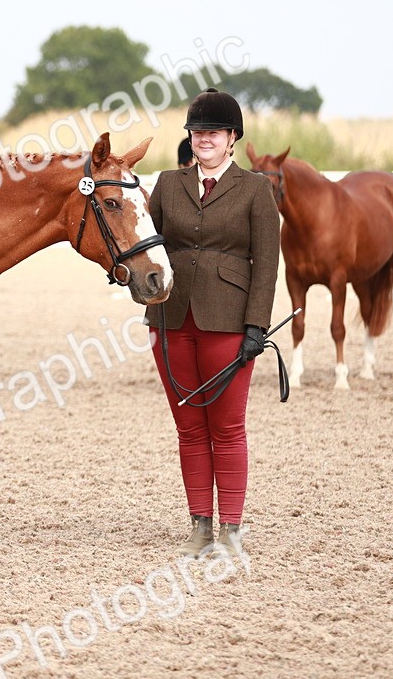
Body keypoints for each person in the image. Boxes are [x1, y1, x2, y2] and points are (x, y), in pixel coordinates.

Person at [145, 88, 280, 556]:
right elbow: (147, 246)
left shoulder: (257, 189)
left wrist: (256, 327)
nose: (205, 138)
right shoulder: (167, 184)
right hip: (170, 317)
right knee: (188, 427)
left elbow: (266, 262)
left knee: (227, 427)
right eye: (198, 132)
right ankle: (200, 525)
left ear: (232, 138)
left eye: (214, 132)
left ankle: (232, 530)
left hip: (229, 321)